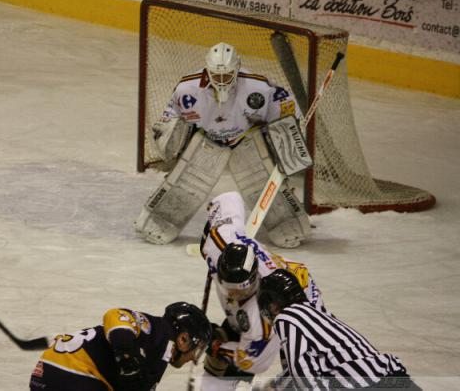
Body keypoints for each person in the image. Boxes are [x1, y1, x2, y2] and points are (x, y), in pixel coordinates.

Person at [135, 42, 311, 248]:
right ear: (207, 70)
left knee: (263, 186)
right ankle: (157, 221)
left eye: (226, 75)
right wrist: (168, 133)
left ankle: (289, 224)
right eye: (216, 76)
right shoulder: (187, 89)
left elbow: (286, 108)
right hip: (207, 142)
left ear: (237, 69)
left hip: (246, 140)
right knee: (184, 186)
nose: (221, 81)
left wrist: (289, 131)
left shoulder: (259, 87)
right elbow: (169, 117)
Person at [197, 192, 325, 390]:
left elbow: (255, 361)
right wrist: (211, 221)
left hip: (300, 302)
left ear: (254, 279)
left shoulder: (263, 313)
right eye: (228, 289)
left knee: (299, 375)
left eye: (240, 292)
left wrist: (219, 349)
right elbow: (230, 198)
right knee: (216, 366)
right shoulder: (218, 243)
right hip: (264, 297)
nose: (233, 296)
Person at [257, 269, 422, 390]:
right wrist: (276, 385)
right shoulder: (320, 314)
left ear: (273, 305)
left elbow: (302, 372)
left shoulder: (286, 318)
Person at [29, 302, 212, 391]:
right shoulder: (156, 330)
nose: (195, 358)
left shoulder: (158, 353)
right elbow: (115, 315)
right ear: (183, 339)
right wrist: (127, 356)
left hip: (48, 372)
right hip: (73, 374)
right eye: (198, 348)